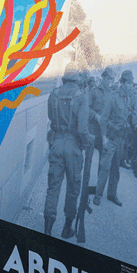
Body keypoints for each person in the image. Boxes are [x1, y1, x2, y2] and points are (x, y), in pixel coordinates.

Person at [43, 63, 89, 238]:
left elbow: (50, 117)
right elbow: (83, 129)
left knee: (53, 186)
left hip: (56, 141)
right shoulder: (82, 96)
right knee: (73, 188)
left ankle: (47, 229)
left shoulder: (53, 94)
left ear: (63, 78)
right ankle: (66, 228)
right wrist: (83, 145)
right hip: (73, 145)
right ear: (76, 80)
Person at [94, 69, 134, 207]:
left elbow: (125, 116)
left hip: (121, 140)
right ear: (122, 83)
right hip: (111, 139)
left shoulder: (128, 98)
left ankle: (112, 194)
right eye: (128, 83)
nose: (130, 85)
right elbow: (104, 119)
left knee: (116, 169)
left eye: (131, 83)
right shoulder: (113, 96)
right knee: (105, 167)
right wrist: (104, 137)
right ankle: (98, 195)